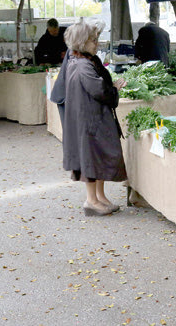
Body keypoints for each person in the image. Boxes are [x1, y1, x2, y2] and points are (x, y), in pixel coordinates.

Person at [62, 19, 128, 216]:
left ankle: (100, 197)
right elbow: (100, 91)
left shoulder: (82, 61)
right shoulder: (82, 66)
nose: (96, 43)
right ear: (82, 43)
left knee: (99, 156)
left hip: (92, 118)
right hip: (90, 121)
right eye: (92, 40)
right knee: (91, 158)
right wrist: (114, 88)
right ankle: (91, 201)